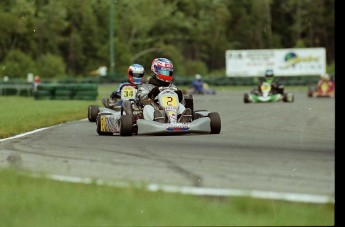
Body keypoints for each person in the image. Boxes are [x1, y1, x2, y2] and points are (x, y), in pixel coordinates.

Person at [136, 57, 192, 123]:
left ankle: (182, 121)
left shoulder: (173, 87)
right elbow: (142, 100)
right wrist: (151, 94)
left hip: (171, 112)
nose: (166, 74)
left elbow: (182, 103)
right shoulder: (145, 86)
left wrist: (180, 97)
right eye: (164, 72)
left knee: (180, 106)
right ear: (156, 70)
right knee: (147, 108)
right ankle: (157, 121)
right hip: (155, 110)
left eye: (168, 73)